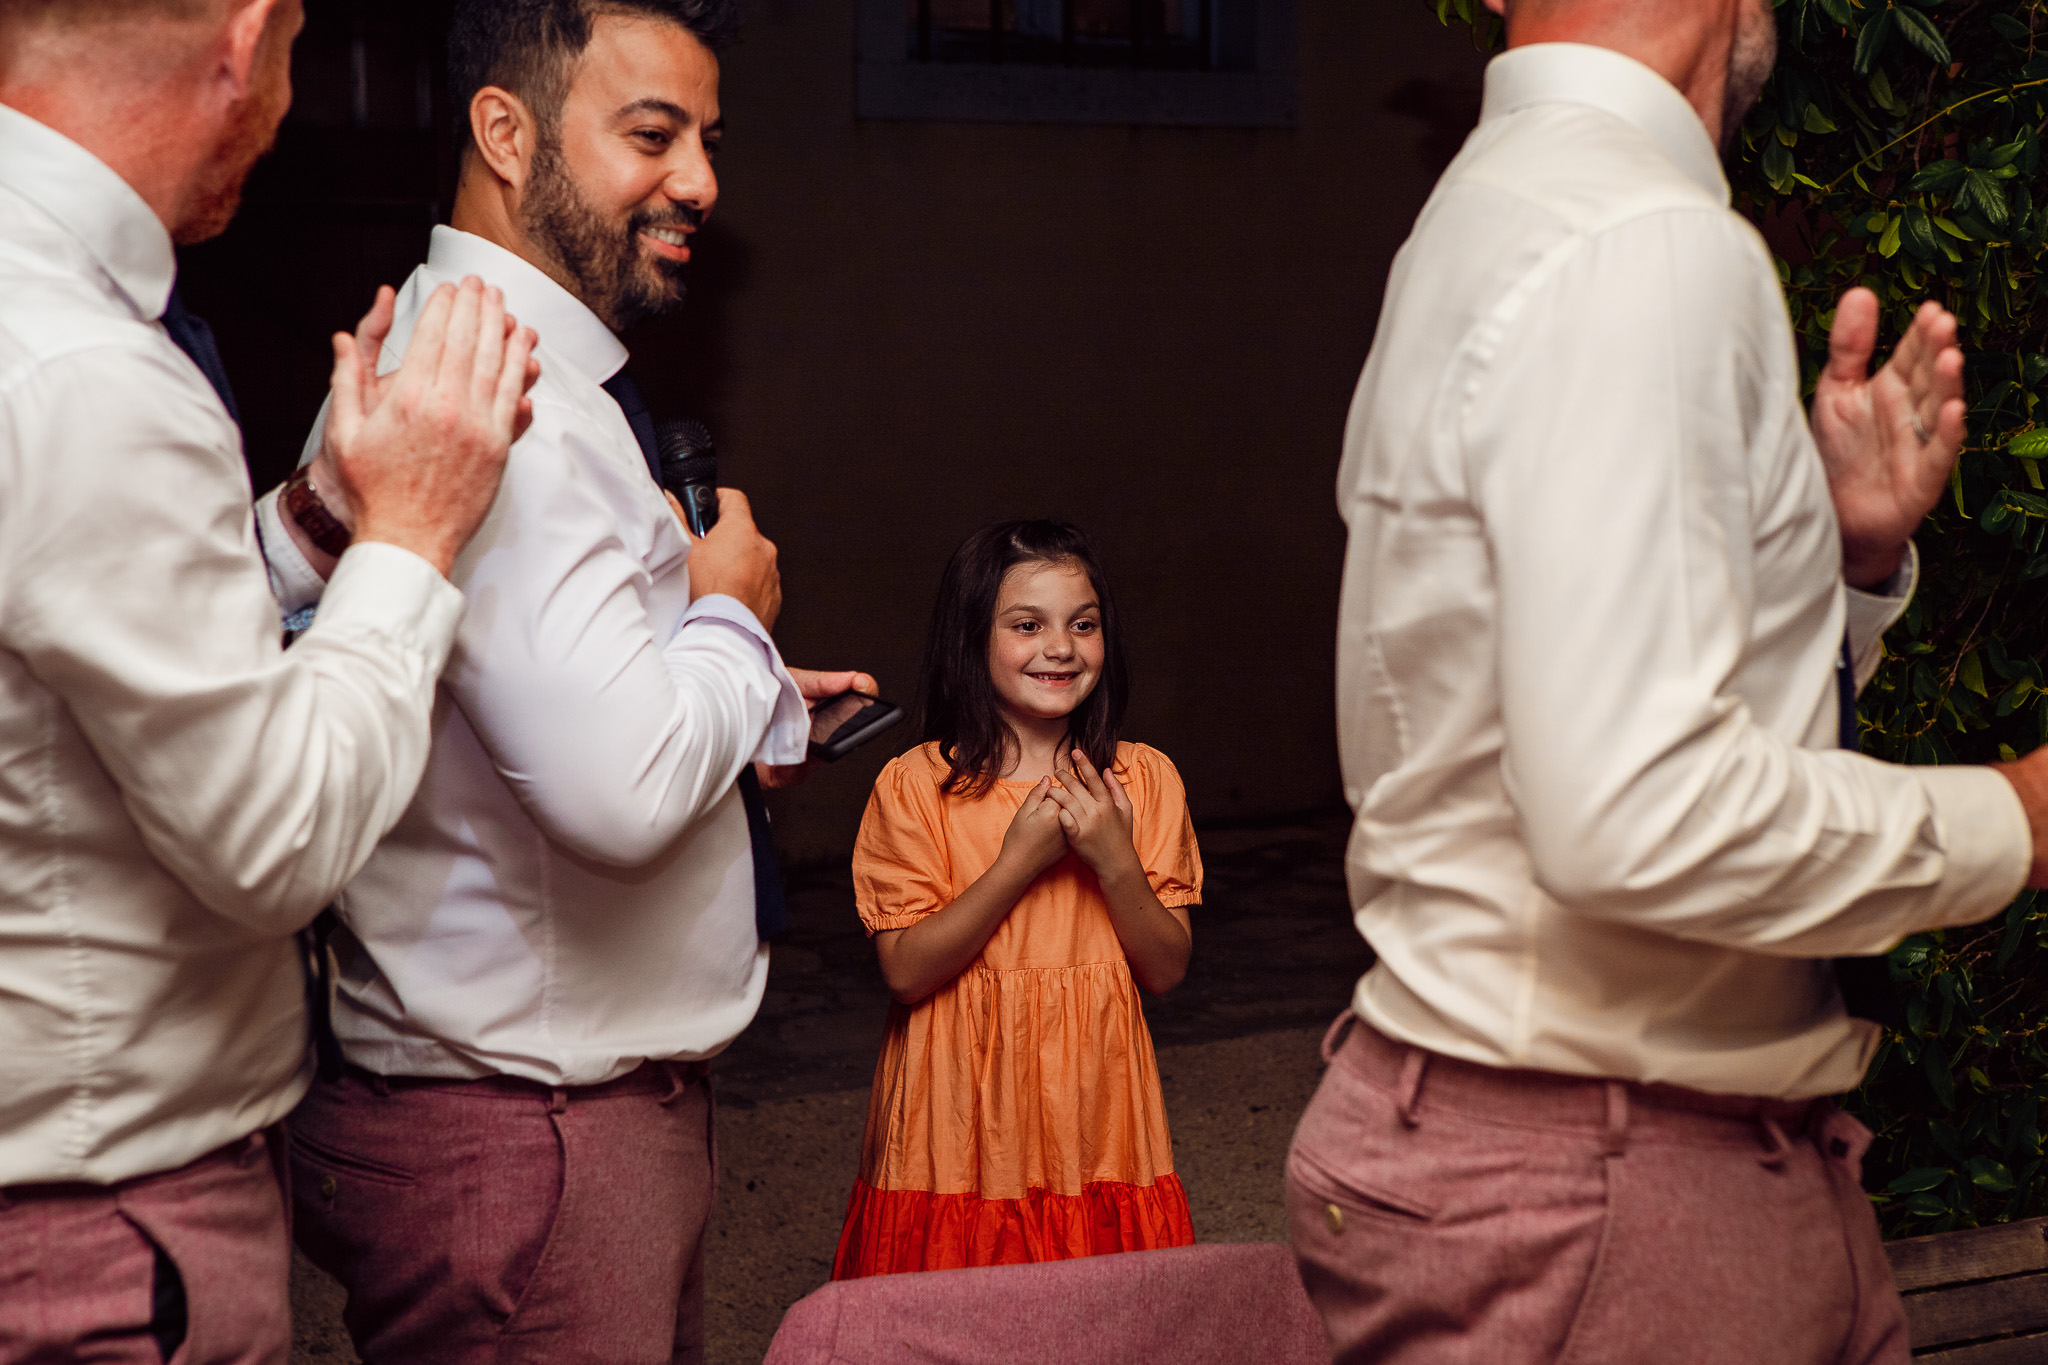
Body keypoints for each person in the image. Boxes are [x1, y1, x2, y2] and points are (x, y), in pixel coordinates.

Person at [1287, 0, 2048, 1361]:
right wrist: (2022, 819)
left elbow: (1565, 703)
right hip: (1604, 1190)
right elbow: (1632, 810)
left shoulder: (1497, 200)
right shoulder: (1641, 238)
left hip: (1554, 1157)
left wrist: (1833, 569)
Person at [256, 1, 867, 1359]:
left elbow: (532, 691)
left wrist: (743, 692)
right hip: (533, 1138)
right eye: (653, 133)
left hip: (552, 1114)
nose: (701, 180)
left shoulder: (516, 364)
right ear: (505, 131)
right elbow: (620, 786)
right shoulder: (495, 393)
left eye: (708, 138)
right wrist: (728, 615)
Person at [0, 0, 538, 1360]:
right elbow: (274, 835)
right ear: (245, 44)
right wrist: (418, 534)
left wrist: (315, 525)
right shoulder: (87, 373)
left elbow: (79, 628)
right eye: (296, 48)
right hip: (94, 1227)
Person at [831, 520, 1200, 1278]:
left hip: (1095, 1120)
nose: (1060, 647)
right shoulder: (916, 785)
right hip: (954, 1121)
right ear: (974, 637)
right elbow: (904, 970)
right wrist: (1017, 863)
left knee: (1100, 1317)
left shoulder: (1145, 780)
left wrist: (1113, 859)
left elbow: (1166, 967)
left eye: (1083, 624)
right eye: (1026, 624)